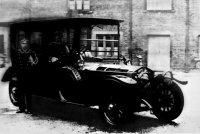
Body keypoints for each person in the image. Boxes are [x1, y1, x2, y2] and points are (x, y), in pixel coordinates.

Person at [15, 39, 38, 114]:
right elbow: (14, 64)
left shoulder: (32, 52)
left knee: (28, 93)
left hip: (29, 75)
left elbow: (36, 62)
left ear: (28, 44)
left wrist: (32, 62)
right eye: (22, 43)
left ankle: (29, 109)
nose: (24, 45)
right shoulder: (16, 53)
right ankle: (21, 108)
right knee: (20, 92)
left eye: (26, 43)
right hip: (20, 75)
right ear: (20, 44)